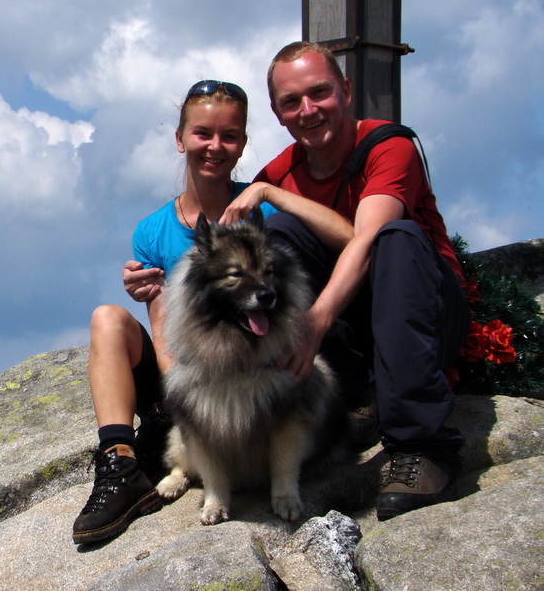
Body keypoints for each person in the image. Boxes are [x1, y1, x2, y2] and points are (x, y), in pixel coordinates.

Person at [73, 80, 354, 545]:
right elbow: (167, 332)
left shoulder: (262, 204)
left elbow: (349, 239)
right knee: (107, 316)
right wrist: (144, 296)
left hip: (257, 367)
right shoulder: (153, 230)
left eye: (229, 136)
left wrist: (271, 193)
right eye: (203, 133)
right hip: (189, 374)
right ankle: (119, 464)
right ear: (181, 139)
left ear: (243, 143)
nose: (215, 147)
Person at [217, 41, 469, 521]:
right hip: (358, 331)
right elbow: (217, 235)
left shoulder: (388, 146)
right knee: (279, 236)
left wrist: (313, 324)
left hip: (429, 313)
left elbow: (365, 239)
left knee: (393, 237)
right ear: (278, 113)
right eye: (292, 102)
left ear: (346, 90)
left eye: (320, 93)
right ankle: (349, 399)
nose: (307, 110)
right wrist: (157, 275)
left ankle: (424, 448)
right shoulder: (282, 170)